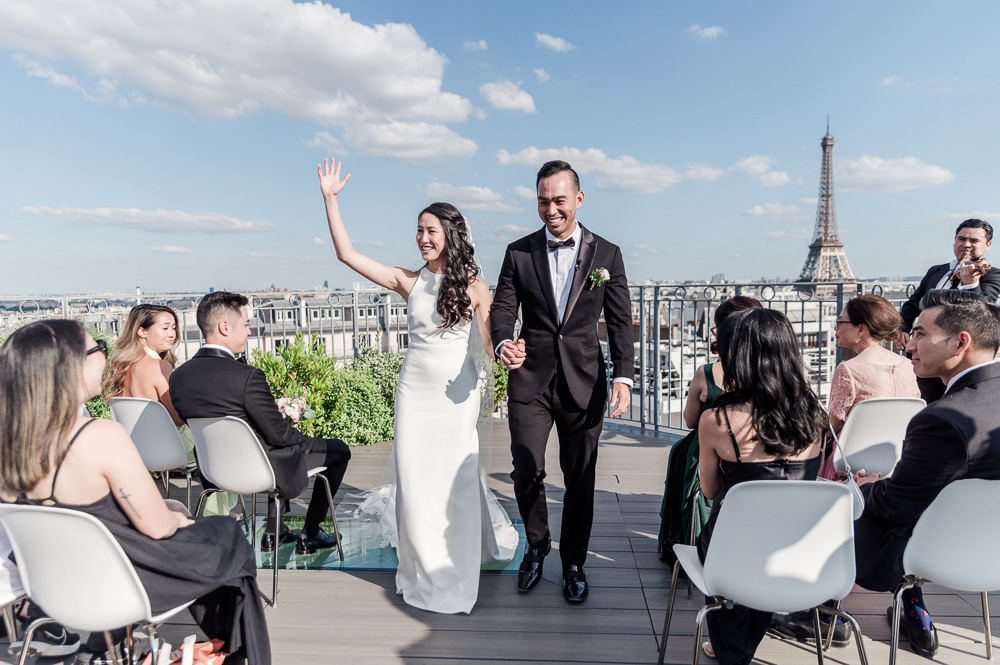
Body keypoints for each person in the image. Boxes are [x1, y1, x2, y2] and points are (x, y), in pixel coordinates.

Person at [0, 320, 270, 664]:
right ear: (73, 365)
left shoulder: (9, 443)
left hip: (54, 585)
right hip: (123, 581)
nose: (103, 355)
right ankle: (232, 651)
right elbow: (158, 528)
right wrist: (175, 516)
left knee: (189, 520)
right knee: (228, 535)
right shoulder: (99, 436)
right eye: (98, 347)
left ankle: (109, 645)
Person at [316, 158, 517, 614]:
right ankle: (419, 569)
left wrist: (507, 351)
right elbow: (347, 255)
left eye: (431, 230)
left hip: (457, 395)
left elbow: (488, 343)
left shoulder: (474, 286)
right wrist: (330, 199)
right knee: (414, 481)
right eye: (419, 231)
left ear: (451, 234)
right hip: (414, 394)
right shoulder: (410, 281)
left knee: (455, 482)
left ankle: (453, 574)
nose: (423, 238)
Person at [492, 160, 635, 603]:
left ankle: (573, 561)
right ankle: (536, 548)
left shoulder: (606, 254)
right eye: (542, 201)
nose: (550, 209)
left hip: (584, 381)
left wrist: (624, 377)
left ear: (578, 198)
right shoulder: (518, 252)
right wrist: (502, 344)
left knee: (581, 477)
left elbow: (619, 322)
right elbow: (502, 310)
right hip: (529, 381)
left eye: (558, 200)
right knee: (526, 471)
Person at [854, 289, 1000, 659]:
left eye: (920, 333)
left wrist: (869, 488)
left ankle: (823, 612)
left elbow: (896, 506)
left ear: (960, 342)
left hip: (937, 550)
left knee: (850, 502)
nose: (908, 346)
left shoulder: (941, 420)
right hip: (990, 546)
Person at [169, 291, 350, 556]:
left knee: (274, 446)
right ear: (224, 327)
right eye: (245, 324)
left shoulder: (179, 377)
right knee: (337, 450)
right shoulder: (246, 376)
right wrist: (302, 437)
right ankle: (311, 533)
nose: (249, 332)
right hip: (260, 469)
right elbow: (279, 435)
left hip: (213, 470)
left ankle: (274, 533)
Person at [696, 308, 824, 664]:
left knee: (727, 540)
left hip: (734, 546)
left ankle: (733, 650)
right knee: (761, 549)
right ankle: (739, 647)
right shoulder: (816, 414)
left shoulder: (717, 420)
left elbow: (709, 490)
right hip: (796, 545)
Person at [102, 304, 238, 517]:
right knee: (222, 440)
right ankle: (218, 513)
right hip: (170, 447)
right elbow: (178, 417)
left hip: (138, 447)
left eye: (174, 328)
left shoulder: (125, 367)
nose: (172, 334)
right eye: (165, 328)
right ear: (141, 331)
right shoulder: (159, 367)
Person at [657, 295, 761, 563]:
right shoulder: (771, 374)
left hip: (708, 452)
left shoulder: (708, 373)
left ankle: (687, 543)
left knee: (684, 453)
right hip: (758, 457)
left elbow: (690, 420)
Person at [899, 219, 1000, 402]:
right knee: (924, 398)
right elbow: (913, 303)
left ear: (987, 245)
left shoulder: (992, 274)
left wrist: (971, 284)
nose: (966, 245)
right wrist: (903, 328)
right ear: (954, 242)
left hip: (959, 353)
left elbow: (984, 310)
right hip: (927, 350)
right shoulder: (937, 271)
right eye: (961, 239)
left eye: (974, 241)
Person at [823, 294, 920, 476]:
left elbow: (833, 426)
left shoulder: (848, 369)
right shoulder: (906, 365)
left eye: (840, 322)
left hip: (850, 463)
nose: (836, 328)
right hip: (897, 458)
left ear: (861, 329)